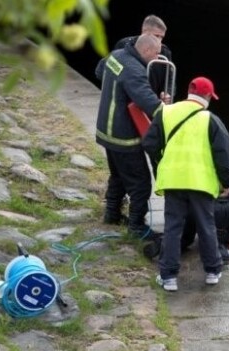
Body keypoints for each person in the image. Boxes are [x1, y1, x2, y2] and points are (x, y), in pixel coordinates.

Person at [143, 76, 229, 291]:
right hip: (200, 182)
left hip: (174, 180)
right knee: (206, 225)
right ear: (207, 97)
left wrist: (163, 161)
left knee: (173, 227)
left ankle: (169, 277)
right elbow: (224, 154)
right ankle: (212, 271)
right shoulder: (210, 119)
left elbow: (149, 144)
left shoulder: (165, 112)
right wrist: (226, 182)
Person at [96, 33, 166, 239]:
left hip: (106, 132)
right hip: (123, 136)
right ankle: (136, 227)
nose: (157, 58)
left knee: (117, 175)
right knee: (141, 183)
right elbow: (149, 103)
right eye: (156, 54)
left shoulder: (116, 55)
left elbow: (99, 71)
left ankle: (112, 214)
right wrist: (169, 110)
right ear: (145, 51)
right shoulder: (135, 70)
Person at [95, 15, 173, 99]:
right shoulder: (124, 45)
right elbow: (106, 70)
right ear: (144, 32)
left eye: (162, 37)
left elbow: (169, 79)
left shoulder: (165, 52)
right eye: (156, 36)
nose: (159, 41)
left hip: (150, 102)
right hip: (125, 100)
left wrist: (167, 92)